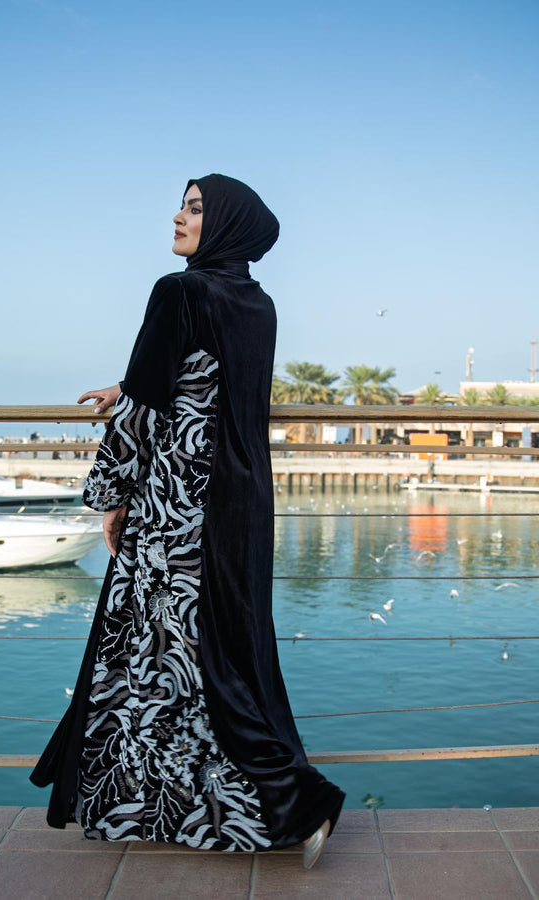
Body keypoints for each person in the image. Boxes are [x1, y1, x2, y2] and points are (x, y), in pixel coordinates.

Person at [30, 174, 345, 865]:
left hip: (180, 509)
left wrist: (113, 495)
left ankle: (302, 800)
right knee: (214, 655)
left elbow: (145, 412)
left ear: (226, 222)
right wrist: (131, 379)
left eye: (196, 207)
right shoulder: (256, 302)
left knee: (174, 657)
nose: (178, 216)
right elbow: (200, 378)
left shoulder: (179, 290)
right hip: (241, 507)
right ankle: (188, 810)